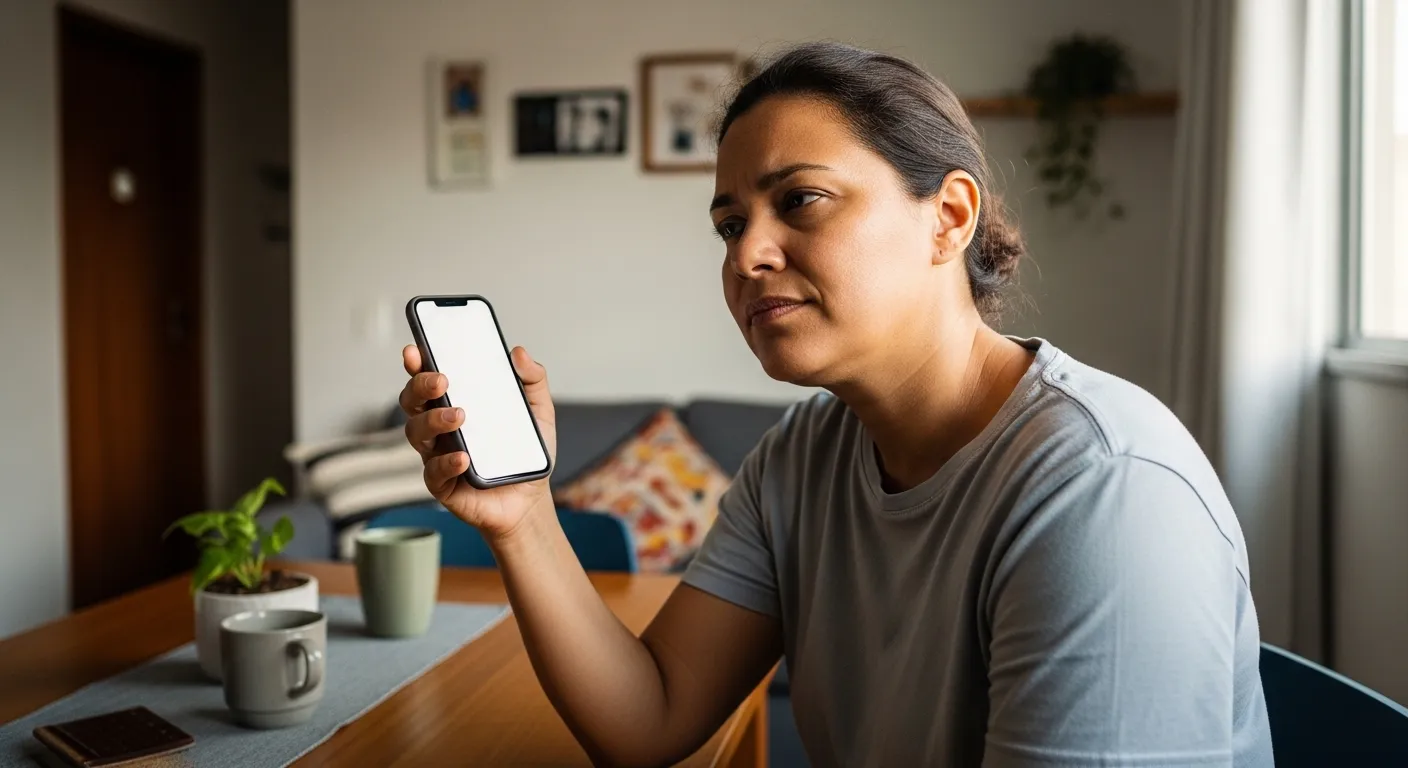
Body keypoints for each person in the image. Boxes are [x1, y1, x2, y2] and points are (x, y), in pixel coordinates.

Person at [398, 42, 1273, 767]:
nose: (747, 257)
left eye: (800, 200)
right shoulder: (800, 458)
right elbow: (649, 720)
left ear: (948, 216)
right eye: (730, 224)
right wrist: (523, 519)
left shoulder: (1103, 493)